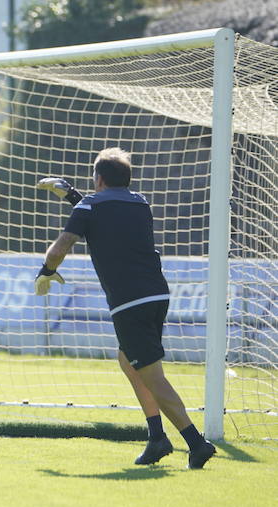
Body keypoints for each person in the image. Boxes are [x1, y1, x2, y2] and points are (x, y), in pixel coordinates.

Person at [35, 147, 216, 469]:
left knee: (151, 374)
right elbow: (103, 212)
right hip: (156, 295)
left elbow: (62, 245)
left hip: (129, 301)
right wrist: (71, 194)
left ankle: (196, 443)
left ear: (99, 178)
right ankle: (157, 437)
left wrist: (46, 271)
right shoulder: (140, 202)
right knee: (128, 361)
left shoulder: (91, 205)